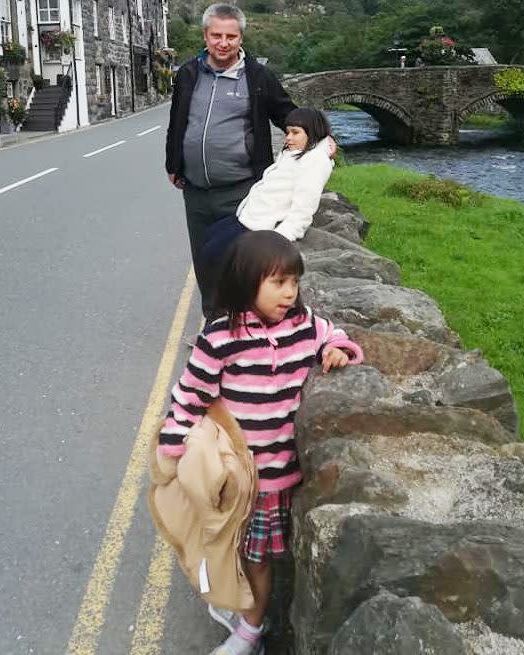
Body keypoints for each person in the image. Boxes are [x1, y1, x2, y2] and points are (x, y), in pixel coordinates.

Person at [158, 231, 363, 655]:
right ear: (245, 280)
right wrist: (173, 449)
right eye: (278, 282)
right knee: (232, 545)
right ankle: (241, 607)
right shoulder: (220, 339)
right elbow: (189, 397)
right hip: (236, 477)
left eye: (294, 282)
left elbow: (334, 333)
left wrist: (339, 348)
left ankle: (251, 629)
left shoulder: (303, 326)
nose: (290, 293)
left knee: (258, 557)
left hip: (277, 482)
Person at [165, 3, 298, 319]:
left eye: (230, 36)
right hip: (195, 192)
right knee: (205, 262)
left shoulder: (258, 77)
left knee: (241, 265)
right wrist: (173, 163)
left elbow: (287, 113)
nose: (223, 43)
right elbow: (177, 122)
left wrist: (317, 135)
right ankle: (214, 328)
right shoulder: (188, 73)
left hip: (241, 191)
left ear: (241, 38)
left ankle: (245, 326)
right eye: (216, 35)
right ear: (205, 35)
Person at [200, 107, 335, 282]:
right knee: (210, 236)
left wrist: (277, 240)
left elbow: (303, 211)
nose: (288, 138)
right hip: (250, 216)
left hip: (260, 227)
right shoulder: (295, 152)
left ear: (313, 132)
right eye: (288, 132)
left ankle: (231, 305)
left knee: (212, 255)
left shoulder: (316, 160)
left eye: (295, 132)